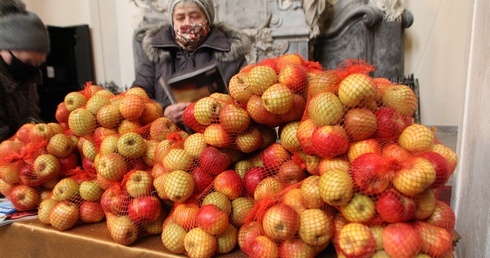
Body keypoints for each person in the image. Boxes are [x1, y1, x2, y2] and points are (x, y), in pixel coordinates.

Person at [131, 0, 252, 125]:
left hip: (219, 137)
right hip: (167, 138)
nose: (187, 23)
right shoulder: (156, 51)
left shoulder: (231, 51)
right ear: (173, 21)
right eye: (180, 18)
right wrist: (163, 112)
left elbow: (246, 100)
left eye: (194, 16)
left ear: (208, 19)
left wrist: (218, 113)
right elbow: (137, 99)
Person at [0, 0, 50, 142]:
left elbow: (32, 118)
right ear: (4, 50)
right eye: (28, 61)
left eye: (38, 63)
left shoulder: (29, 76)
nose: (32, 67)